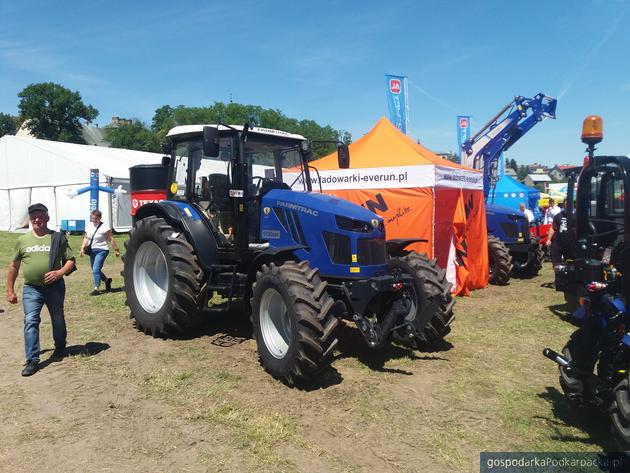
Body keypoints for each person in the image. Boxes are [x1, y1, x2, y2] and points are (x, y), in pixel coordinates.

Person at [5, 203, 76, 376]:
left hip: (55, 287)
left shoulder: (57, 238)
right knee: (30, 320)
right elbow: (14, 266)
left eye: (41, 216)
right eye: (33, 217)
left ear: (47, 218)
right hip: (31, 289)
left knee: (57, 318)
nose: (37, 220)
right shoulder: (23, 240)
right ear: (30, 220)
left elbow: (71, 260)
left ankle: (60, 347)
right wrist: (9, 290)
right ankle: (32, 360)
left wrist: (59, 273)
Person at [79, 210, 120, 295]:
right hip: (91, 250)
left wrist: (116, 249)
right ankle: (106, 281)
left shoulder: (104, 227)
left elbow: (110, 239)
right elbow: (86, 238)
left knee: (96, 269)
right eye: (92, 218)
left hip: (102, 250)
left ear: (100, 218)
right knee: (95, 269)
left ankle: (96, 289)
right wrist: (82, 248)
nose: (94, 220)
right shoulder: (89, 225)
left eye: (96, 218)